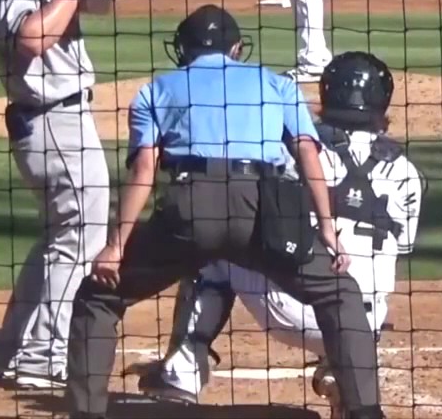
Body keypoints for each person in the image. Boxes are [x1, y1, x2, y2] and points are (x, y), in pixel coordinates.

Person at [63, 5, 387, 419]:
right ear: (237, 48)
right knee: (339, 293)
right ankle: (365, 413)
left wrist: (115, 245)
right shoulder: (276, 83)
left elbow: (144, 170)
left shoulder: (156, 90)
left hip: (190, 208)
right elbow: (308, 152)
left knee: (99, 294)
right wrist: (327, 227)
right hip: (264, 211)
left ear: (183, 48)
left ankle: (84, 413)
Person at [137, 51, 425, 419]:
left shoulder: (292, 152)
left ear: (326, 93)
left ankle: (182, 374)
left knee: (213, 245)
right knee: (364, 280)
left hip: (288, 307)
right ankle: (341, 374)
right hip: (362, 328)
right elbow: (400, 247)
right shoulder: (407, 172)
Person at [0, 0, 121, 389]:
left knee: (60, 238)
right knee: (82, 238)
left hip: (60, 121)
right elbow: (35, 37)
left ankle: (10, 349)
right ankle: (43, 355)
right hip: (51, 121)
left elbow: (96, 7)